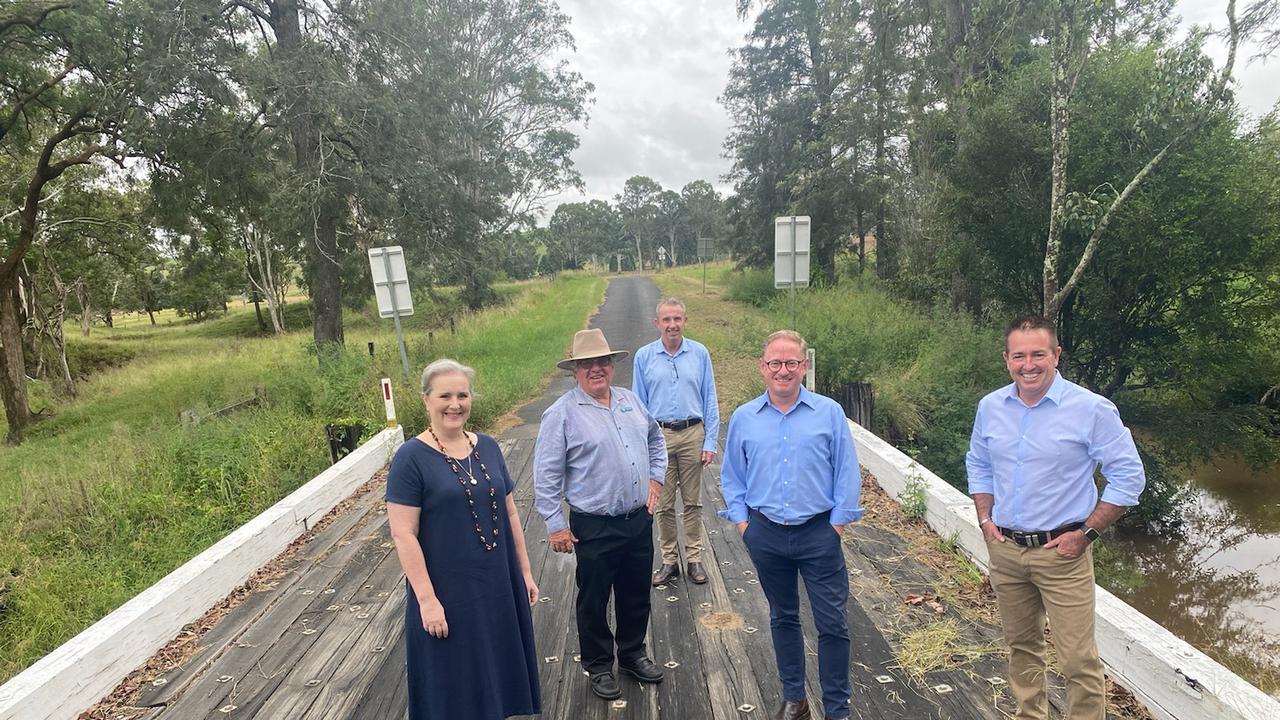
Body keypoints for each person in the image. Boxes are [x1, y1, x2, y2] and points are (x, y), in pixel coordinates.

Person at [966, 315, 1146, 720]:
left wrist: (1086, 534)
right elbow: (978, 463)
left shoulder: (1091, 409)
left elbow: (1129, 477)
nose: (1028, 364)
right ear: (1006, 359)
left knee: (1077, 659)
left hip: (1063, 553)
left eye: (1037, 354)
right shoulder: (991, 407)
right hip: (1006, 551)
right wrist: (984, 517)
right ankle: (1031, 714)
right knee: (1022, 647)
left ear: (1056, 355)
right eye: (1019, 356)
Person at [386, 359, 541, 720]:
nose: (455, 404)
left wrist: (525, 571)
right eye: (444, 396)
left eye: (462, 395)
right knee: (455, 682)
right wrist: (427, 600)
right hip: (448, 591)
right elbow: (403, 533)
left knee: (496, 672)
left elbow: (511, 512)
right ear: (426, 400)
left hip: (497, 582)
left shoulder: (486, 447)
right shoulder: (410, 458)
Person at [720, 330, 862, 720]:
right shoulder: (745, 418)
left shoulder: (829, 412)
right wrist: (743, 524)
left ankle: (836, 708)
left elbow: (847, 471)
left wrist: (836, 525)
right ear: (763, 368)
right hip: (765, 532)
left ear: (804, 366)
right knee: (783, 616)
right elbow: (732, 475)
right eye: (775, 363)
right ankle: (795, 698)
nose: (783, 371)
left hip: (819, 532)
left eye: (792, 363)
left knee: (832, 622)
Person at [534, 328, 668, 700]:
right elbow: (545, 474)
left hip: (638, 519)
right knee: (593, 598)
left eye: (602, 362)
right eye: (587, 363)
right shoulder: (560, 414)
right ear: (575, 370)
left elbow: (656, 440)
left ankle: (632, 653)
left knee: (636, 592)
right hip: (593, 524)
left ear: (612, 365)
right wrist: (555, 524)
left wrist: (655, 480)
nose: (597, 369)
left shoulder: (630, 401)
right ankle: (597, 665)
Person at [632, 298, 720, 586]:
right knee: (664, 503)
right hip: (660, 436)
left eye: (677, 319)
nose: (672, 325)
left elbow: (710, 398)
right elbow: (638, 404)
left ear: (685, 321)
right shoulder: (644, 357)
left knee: (693, 502)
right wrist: (642, 445)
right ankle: (669, 561)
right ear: (657, 323)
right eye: (667, 320)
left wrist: (710, 441)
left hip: (693, 433)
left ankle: (694, 558)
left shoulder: (700, 353)